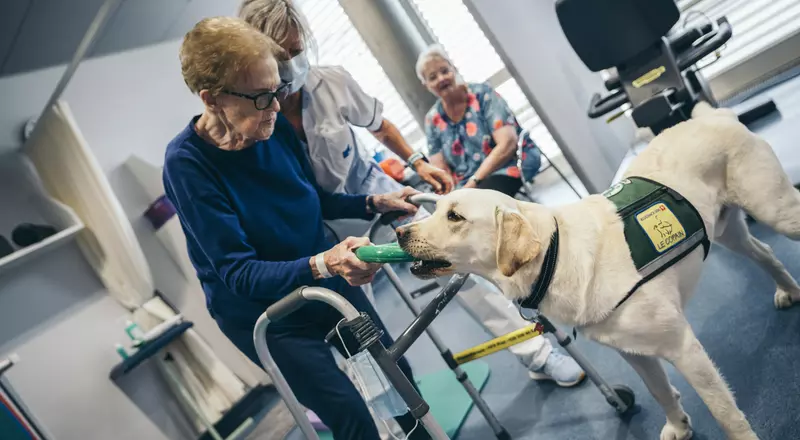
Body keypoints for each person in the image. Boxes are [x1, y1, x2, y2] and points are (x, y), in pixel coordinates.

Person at [163, 17, 430, 439]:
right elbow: (238, 272)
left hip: (324, 283)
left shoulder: (273, 126)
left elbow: (314, 199)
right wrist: (326, 262)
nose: (276, 105)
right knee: (350, 415)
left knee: (395, 376)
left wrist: (372, 202)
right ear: (212, 99)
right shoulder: (187, 165)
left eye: (278, 90)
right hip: (268, 314)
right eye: (261, 97)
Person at [416, 44, 586, 386]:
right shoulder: (433, 118)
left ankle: (528, 277)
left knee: (476, 213)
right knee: (451, 221)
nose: (441, 79)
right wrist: (450, 192)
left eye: (444, 70)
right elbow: (438, 166)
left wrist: (474, 184)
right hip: (466, 188)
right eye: (432, 77)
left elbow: (506, 143)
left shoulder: (482, 95)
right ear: (426, 85)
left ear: (454, 67)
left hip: (504, 169)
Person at [238, 0, 454, 201]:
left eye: (296, 51)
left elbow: (380, 127)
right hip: (332, 226)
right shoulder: (255, 121)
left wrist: (418, 163)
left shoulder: (333, 82)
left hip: (378, 193)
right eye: (279, 57)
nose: (291, 64)